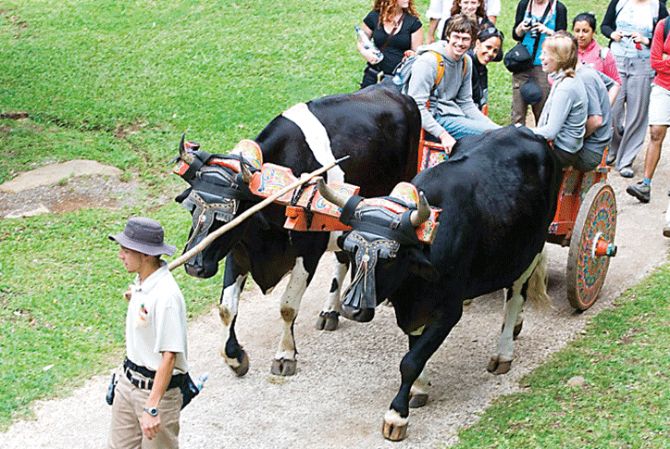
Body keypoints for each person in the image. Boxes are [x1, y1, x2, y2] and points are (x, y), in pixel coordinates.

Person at [108, 217, 189, 449]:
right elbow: (146, 308)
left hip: (155, 393)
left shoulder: (167, 298)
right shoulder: (143, 282)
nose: (120, 256)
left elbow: (169, 356)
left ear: (146, 255)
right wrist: (136, 297)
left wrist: (152, 407)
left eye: (125, 250)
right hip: (127, 383)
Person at [407, 14, 500, 154]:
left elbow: (466, 103)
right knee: (494, 135)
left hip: (454, 116)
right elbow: (416, 106)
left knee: (497, 132)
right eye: (456, 37)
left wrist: (492, 125)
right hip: (434, 118)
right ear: (448, 36)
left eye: (465, 39)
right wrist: (442, 135)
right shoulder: (428, 62)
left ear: (472, 42)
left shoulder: (465, 62)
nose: (460, 43)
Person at [601, 0, 668, 177]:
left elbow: (664, 37)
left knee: (637, 114)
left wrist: (646, 40)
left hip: (643, 63)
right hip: (617, 61)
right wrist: (612, 34)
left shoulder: (657, 7)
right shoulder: (619, 2)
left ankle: (626, 161)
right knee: (612, 111)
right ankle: (614, 148)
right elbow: (605, 26)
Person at [627, 16, 670, 206]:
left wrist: (666, 59)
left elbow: (662, 61)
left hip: (663, 81)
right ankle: (645, 184)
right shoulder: (664, 25)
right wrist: (663, 60)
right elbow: (655, 62)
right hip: (663, 86)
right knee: (655, 133)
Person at [533, 33, 588, 168]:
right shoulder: (565, 79)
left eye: (545, 54)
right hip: (563, 147)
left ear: (559, 58)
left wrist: (521, 131)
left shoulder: (566, 87)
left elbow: (551, 131)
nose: (541, 57)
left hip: (563, 151)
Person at [511, 0, 568, 126]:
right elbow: (515, 35)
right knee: (517, 111)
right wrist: (521, 28)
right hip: (522, 62)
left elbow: (564, 40)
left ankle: (541, 142)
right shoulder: (524, 5)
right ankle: (516, 142)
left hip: (545, 65)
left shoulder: (558, 8)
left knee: (542, 110)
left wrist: (548, 31)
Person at [358, 0, 423, 88]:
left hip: (398, 79)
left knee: (386, 102)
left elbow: (417, 54)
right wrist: (365, 52)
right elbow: (362, 42)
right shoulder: (374, 17)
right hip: (374, 75)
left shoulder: (413, 22)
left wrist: (411, 56)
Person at [573, 12, 622, 86]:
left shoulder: (603, 54)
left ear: (593, 32)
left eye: (585, 31)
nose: (580, 35)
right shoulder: (567, 53)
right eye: (577, 31)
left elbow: (616, 83)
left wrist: (609, 98)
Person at [425, 0, 501, 43]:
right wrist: (430, 35)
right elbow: (435, 10)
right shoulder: (449, 22)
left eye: (473, 3)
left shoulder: (484, 23)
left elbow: (492, 12)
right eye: (466, 2)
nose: (469, 7)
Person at [469, 26, 504, 114]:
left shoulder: (482, 68)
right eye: (488, 47)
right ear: (477, 43)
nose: (491, 53)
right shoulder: (466, 63)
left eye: (495, 51)